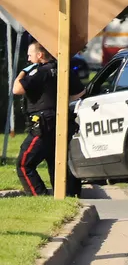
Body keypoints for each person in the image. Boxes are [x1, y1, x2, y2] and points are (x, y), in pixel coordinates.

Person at [13, 42, 84, 196]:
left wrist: (23, 73)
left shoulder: (39, 72)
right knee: (56, 163)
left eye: (30, 55)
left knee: (24, 164)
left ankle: (39, 196)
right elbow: (80, 92)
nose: (28, 59)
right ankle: (67, 196)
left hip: (43, 125)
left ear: (40, 55)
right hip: (61, 122)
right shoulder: (63, 69)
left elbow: (17, 89)